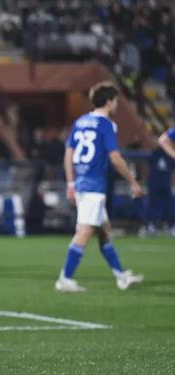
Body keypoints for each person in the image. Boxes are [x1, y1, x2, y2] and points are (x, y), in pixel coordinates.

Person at [56, 82, 144, 292]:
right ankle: (65, 279)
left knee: (104, 231)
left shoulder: (80, 122)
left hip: (81, 182)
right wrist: (133, 181)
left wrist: (70, 182)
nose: (116, 104)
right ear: (109, 102)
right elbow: (115, 158)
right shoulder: (106, 124)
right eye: (115, 101)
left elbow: (68, 153)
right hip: (93, 185)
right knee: (85, 231)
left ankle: (121, 276)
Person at [144, 127, 175, 236]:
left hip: (166, 183)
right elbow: (147, 169)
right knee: (153, 205)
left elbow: (172, 171)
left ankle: (171, 226)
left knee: (169, 206)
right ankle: (150, 225)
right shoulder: (154, 153)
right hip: (154, 183)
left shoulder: (169, 155)